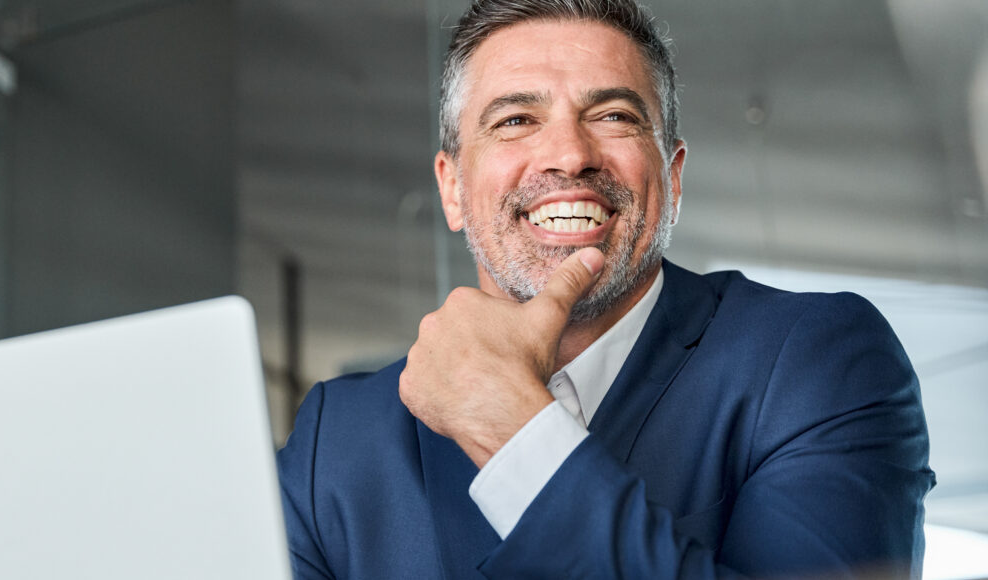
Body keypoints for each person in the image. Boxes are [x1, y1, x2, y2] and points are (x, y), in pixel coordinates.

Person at [276, 1, 936, 578]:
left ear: (672, 180)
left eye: (614, 115)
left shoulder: (815, 362)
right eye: (514, 120)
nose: (568, 154)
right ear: (451, 187)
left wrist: (511, 428)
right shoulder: (338, 437)